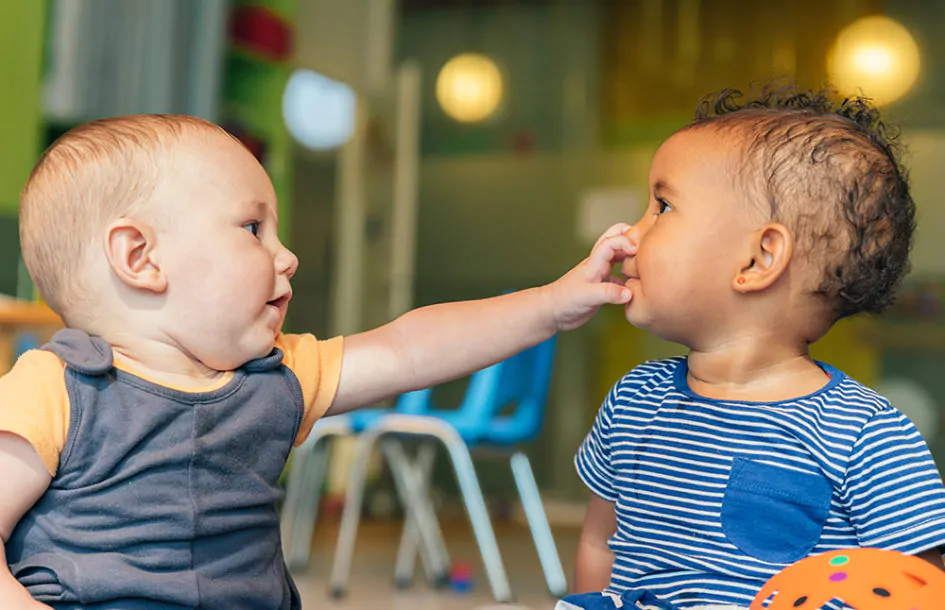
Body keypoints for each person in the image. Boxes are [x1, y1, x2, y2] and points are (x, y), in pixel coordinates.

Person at [0, 114, 637, 609]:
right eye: (253, 229)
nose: (288, 256)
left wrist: (551, 304)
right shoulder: (57, 389)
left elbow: (409, 348)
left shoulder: (278, 377)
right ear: (140, 258)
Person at [561, 84, 945, 610]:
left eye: (662, 206)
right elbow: (599, 541)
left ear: (758, 260)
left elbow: (917, 588)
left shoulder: (864, 434)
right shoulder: (634, 401)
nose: (628, 233)